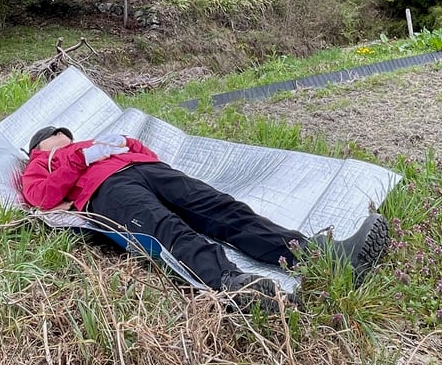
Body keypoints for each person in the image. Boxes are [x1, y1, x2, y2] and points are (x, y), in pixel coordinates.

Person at [20, 125, 390, 309]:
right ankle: (231, 283)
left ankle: (322, 257)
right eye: (54, 136)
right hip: (106, 191)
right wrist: (77, 160)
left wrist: (134, 151)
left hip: (147, 171)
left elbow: (140, 148)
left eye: (65, 135)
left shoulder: (94, 142)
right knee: (165, 229)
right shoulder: (41, 163)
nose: (62, 137)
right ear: (39, 146)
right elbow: (40, 197)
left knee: (223, 208)